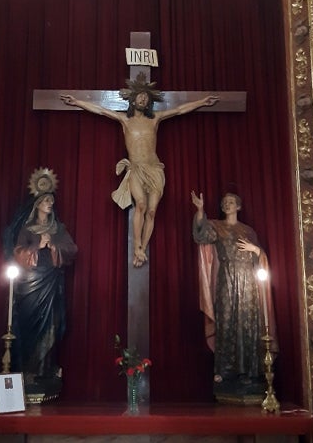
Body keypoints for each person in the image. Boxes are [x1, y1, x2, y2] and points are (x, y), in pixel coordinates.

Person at [61, 73, 218, 267]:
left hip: (154, 169)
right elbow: (99, 110)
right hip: (135, 168)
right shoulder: (124, 120)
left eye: (146, 97)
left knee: (151, 212)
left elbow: (179, 110)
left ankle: (142, 248)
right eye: (140, 97)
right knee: (141, 205)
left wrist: (202, 101)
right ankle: (136, 247)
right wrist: (77, 102)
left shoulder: (155, 119)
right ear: (133, 101)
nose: (143, 99)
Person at [191, 190, 276, 402]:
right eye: (225, 202)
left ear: (238, 207)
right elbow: (200, 235)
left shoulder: (248, 231)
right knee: (227, 323)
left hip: (248, 280)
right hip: (227, 280)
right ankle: (227, 374)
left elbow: (260, 256)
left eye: (232, 202)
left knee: (248, 323)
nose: (228, 205)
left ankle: (251, 374)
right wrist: (200, 210)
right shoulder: (216, 227)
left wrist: (256, 250)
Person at [7, 168, 78, 401]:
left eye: (51, 201)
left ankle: (45, 371)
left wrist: (54, 247)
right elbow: (17, 253)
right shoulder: (27, 230)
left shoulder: (58, 229)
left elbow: (72, 250)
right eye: (45, 200)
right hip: (31, 285)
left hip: (51, 285)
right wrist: (37, 247)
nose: (49, 204)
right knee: (31, 329)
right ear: (37, 204)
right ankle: (28, 372)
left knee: (53, 324)